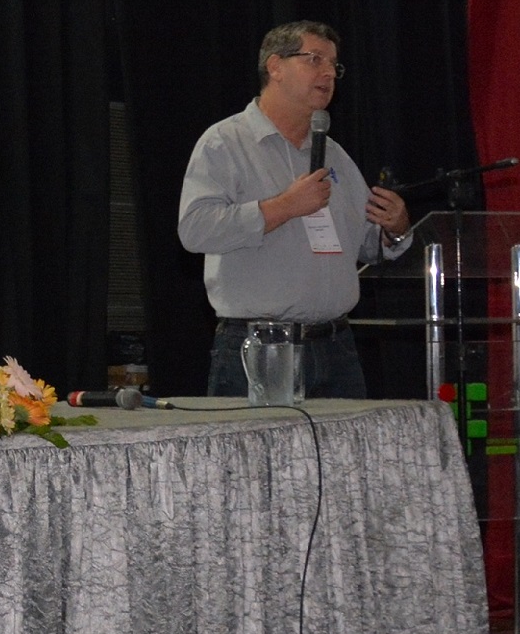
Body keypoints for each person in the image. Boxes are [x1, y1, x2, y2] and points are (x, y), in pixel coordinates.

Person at [176, 21, 411, 399]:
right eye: (315, 59)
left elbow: (368, 246)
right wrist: (284, 207)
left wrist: (394, 228)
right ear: (275, 67)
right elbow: (195, 229)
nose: (329, 73)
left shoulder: (336, 155)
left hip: (336, 346)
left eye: (334, 65)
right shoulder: (226, 142)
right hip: (261, 348)